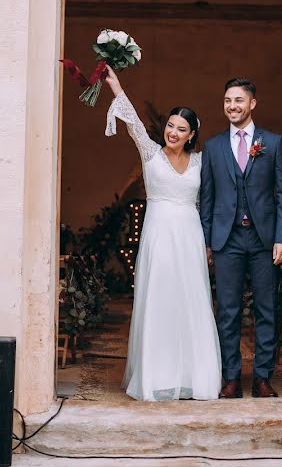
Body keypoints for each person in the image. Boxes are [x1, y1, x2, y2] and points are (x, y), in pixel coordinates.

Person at [103, 66, 221, 401]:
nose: (172, 131)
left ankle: (193, 377)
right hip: (158, 237)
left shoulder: (201, 163)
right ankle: (156, 376)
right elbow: (135, 125)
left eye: (180, 128)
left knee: (191, 301)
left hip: (189, 236)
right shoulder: (150, 153)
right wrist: (117, 88)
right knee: (159, 300)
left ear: (191, 135)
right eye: (170, 125)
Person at [200, 78, 282, 399]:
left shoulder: (274, 143)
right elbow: (208, 199)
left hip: (264, 239)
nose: (232, 106)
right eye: (227, 100)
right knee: (228, 311)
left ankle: (263, 378)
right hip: (226, 240)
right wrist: (206, 241)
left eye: (238, 100)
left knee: (267, 309)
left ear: (252, 103)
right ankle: (231, 378)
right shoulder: (212, 147)